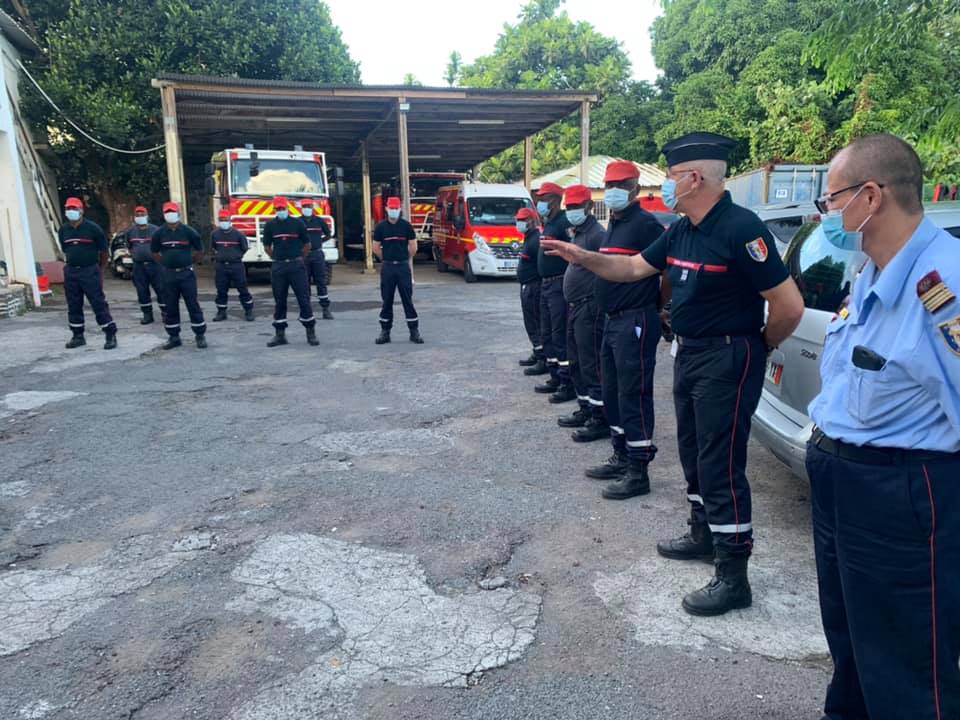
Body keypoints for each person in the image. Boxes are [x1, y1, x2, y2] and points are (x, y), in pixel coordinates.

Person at [542, 132, 804, 616]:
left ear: (694, 178)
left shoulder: (741, 229)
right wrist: (584, 257)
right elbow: (633, 270)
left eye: (672, 178)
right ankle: (703, 532)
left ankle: (733, 573)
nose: (666, 187)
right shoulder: (682, 230)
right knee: (692, 449)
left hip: (728, 357)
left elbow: (788, 306)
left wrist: (759, 344)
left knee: (721, 460)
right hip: (691, 354)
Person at [806, 134, 960, 720]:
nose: (828, 215)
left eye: (832, 200)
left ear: (871, 196)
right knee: (853, 644)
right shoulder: (870, 270)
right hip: (843, 486)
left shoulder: (942, 284)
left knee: (909, 664)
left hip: (901, 498)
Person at [583, 161, 666, 501]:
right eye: (609, 183)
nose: (614, 189)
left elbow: (667, 272)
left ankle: (638, 470)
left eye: (622, 183)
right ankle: (621, 453)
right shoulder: (613, 224)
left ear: (635, 186)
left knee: (634, 393)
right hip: (612, 319)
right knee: (614, 390)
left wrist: (655, 305)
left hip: (635, 320)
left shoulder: (647, 225)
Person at [557, 184, 609, 443]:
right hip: (575, 306)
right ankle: (586, 407)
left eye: (577, 207)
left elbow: (606, 269)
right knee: (576, 360)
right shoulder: (577, 233)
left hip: (590, 308)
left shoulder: (597, 235)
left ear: (589, 207)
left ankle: (600, 418)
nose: (572, 211)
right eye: (569, 207)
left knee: (591, 364)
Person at [57, 197, 117, 350]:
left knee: (98, 303)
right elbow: (65, 249)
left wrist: (100, 269)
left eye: (74, 209)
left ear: (81, 210)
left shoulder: (93, 228)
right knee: (74, 304)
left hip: (89, 270)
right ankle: (78, 336)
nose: (71, 212)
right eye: (69, 209)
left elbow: (104, 252)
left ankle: (110, 334)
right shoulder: (64, 230)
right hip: (71, 271)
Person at [534, 182, 575, 402]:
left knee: (560, 334)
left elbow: (573, 251)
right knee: (547, 331)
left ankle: (567, 382)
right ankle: (554, 376)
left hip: (559, 284)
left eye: (543, 198)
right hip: (546, 284)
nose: (539, 202)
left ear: (555, 199)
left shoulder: (564, 222)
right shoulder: (548, 223)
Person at [261, 196, 317, 347]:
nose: (281, 211)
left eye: (283, 208)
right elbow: (267, 246)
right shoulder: (270, 226)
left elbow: (307, 244)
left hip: (296, 266)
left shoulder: (297, 223)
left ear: (287, 208)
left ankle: (310, 332)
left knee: (304, 299)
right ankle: (280, 335)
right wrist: (277, 257)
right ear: (275, 209)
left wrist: (298, 257)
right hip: (279, 267)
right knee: (280, 300)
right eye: (278, 209)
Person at [150, 201, 207, 350]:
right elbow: (154, 252)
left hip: (186, 274)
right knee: (170, 306)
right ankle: (174, 337)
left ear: (178, 213)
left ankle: (200, 335)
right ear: (164, 215)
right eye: (167, 212)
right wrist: (166, 263)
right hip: (168, 275)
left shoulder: (188, 231)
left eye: (172, 211)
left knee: (192, 304)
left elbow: (200, 250)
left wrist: (189, 262)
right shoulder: (159, 233)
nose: (170, 214)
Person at [373, 197, 423, 345]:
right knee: (387, 300)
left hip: (402, 268)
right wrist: (387, 258)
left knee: (407, 300)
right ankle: (385, 332)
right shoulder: (381, 227)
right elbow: (376, 247)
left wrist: (403, 258)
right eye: (391, 208)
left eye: (396, 208)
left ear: (399, 209)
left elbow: (413, 247)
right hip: (388, 267)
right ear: (387, 209)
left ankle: (414, 332)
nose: (393, 211)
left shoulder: (406, 226)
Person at [515, 206, 546, 375]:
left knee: (535, 322)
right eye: (518, 220)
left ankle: (543, 358)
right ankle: (537, 351)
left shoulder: (535, 240)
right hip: (527, 285)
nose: (520, 223)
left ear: (532, 221)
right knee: (530, 322)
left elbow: (540, 265)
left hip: (534, 287)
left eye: (523, 220)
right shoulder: (529, 237)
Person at [210, 209, 254, 322]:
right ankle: (221, 312)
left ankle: (249, 311)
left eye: (225, 220)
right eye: (221, 220)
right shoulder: (214, 234)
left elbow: (244, 248)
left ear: (230, 221)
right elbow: (213, 247)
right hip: (221, 266)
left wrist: (235, 256)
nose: (223, 222)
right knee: (221, 290)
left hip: (236, 266)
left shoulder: (238, 234)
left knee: (242, 289)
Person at [123, 205, 163, 325]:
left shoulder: (156, 230)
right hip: (139, 267)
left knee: (161, 290)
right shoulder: (130, 232)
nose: (140, 217)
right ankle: (147, 315)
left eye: (142, 215)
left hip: (155, 265)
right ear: (134, 217)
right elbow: (129, 247)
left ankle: (166, 313)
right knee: (142, 291)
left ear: (147, 216)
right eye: (137, 215)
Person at [301, 198, 334, 320]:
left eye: (309, 206)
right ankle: (307, 310)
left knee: (321, 282)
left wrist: (319, 241)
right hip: (303, 256)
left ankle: (325, 309)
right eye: (305, 206)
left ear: (312, 207)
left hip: (317, 254)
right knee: (304, 283)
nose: (307, 209)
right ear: (301, 208)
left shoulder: (319, 221)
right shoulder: (298, 222)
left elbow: (328, 234)